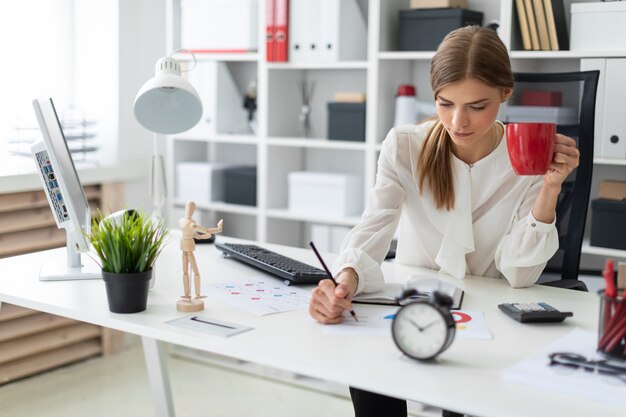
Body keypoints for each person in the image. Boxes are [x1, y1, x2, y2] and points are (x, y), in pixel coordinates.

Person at [308, 26, 580, 417]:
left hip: (488, 312)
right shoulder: (405, 145)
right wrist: (345, 277)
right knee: (365, 366)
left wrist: (550, 187)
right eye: (445, 103)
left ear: (506, 93)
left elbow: (519, 274)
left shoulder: (528, 156)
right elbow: (375, 224)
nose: (458, 122)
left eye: (477, 105)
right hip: (411, 301)